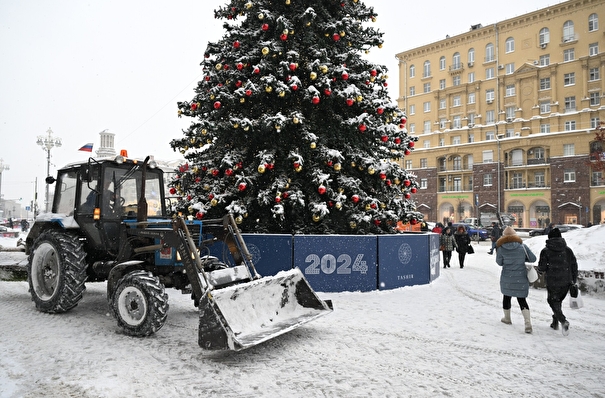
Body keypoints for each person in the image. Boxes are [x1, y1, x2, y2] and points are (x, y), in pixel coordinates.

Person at [537, 228, 578, 336]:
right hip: (566, 281)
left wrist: (540, 270)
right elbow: (574, 265)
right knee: (557, 301)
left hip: (552, 281)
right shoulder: (568, 250)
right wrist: (573, 280)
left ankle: (563, 321)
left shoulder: (545, 251)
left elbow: (542, 267)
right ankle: (554, 322)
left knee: (552, 301)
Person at [495, 226, 537, 333]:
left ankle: (507, 318)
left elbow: (499, 263)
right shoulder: (522, 247)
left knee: (506, 297)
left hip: (507, 277)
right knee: (522, 299)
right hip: (521, 277)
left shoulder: (501, 248)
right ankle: (527, 322)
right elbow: (533, 258)